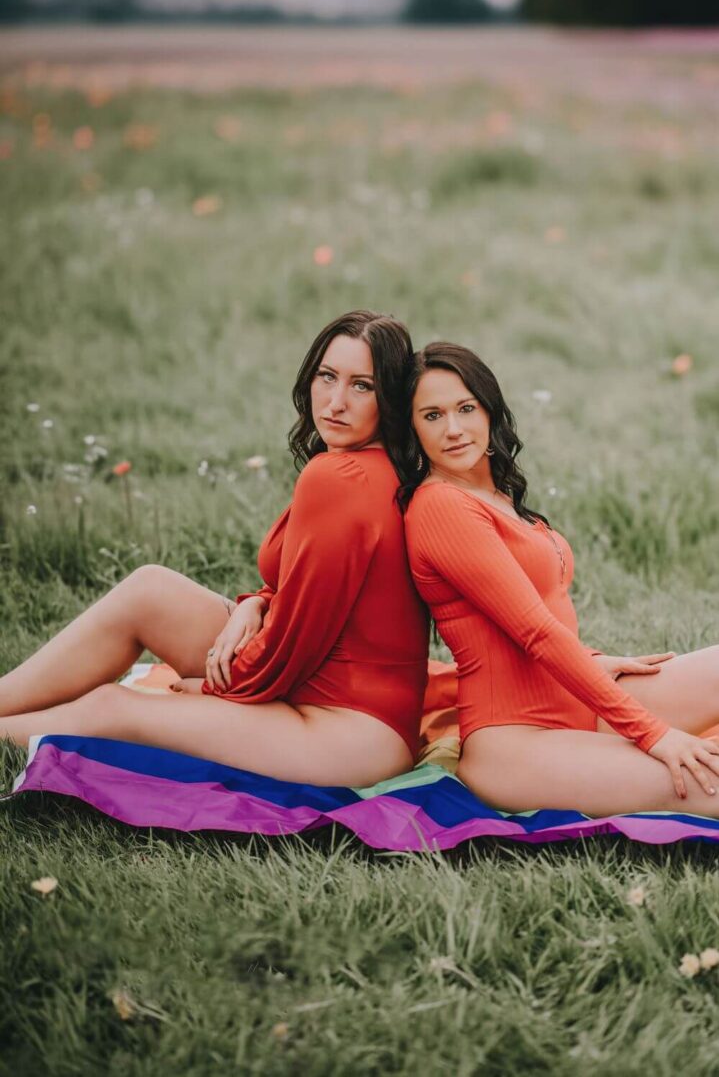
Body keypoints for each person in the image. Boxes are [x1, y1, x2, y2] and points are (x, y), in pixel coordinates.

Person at [0, 311, 429, 788]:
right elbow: (315, 587)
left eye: (362, 386)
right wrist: (257, 604)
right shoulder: (364, 465)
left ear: (388, 399)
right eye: (327, 377)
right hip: (322, 686)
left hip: (349, 732)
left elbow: (292, 644)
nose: (335, 401)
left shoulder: (339, 479)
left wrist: (211, 690)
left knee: (114, 706)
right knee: (151, 589)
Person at [401, 342, 719, 817]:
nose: (453, 429)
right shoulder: (441, 506)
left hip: (576, 695)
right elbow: (535, 631)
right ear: (413, 429)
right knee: (706, 781)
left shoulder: (493, 492)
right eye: (432, 415)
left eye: (466, 408)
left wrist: (594, 660)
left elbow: (529, 612)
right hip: (518, 744)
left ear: (489, 409)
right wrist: (654, 734)